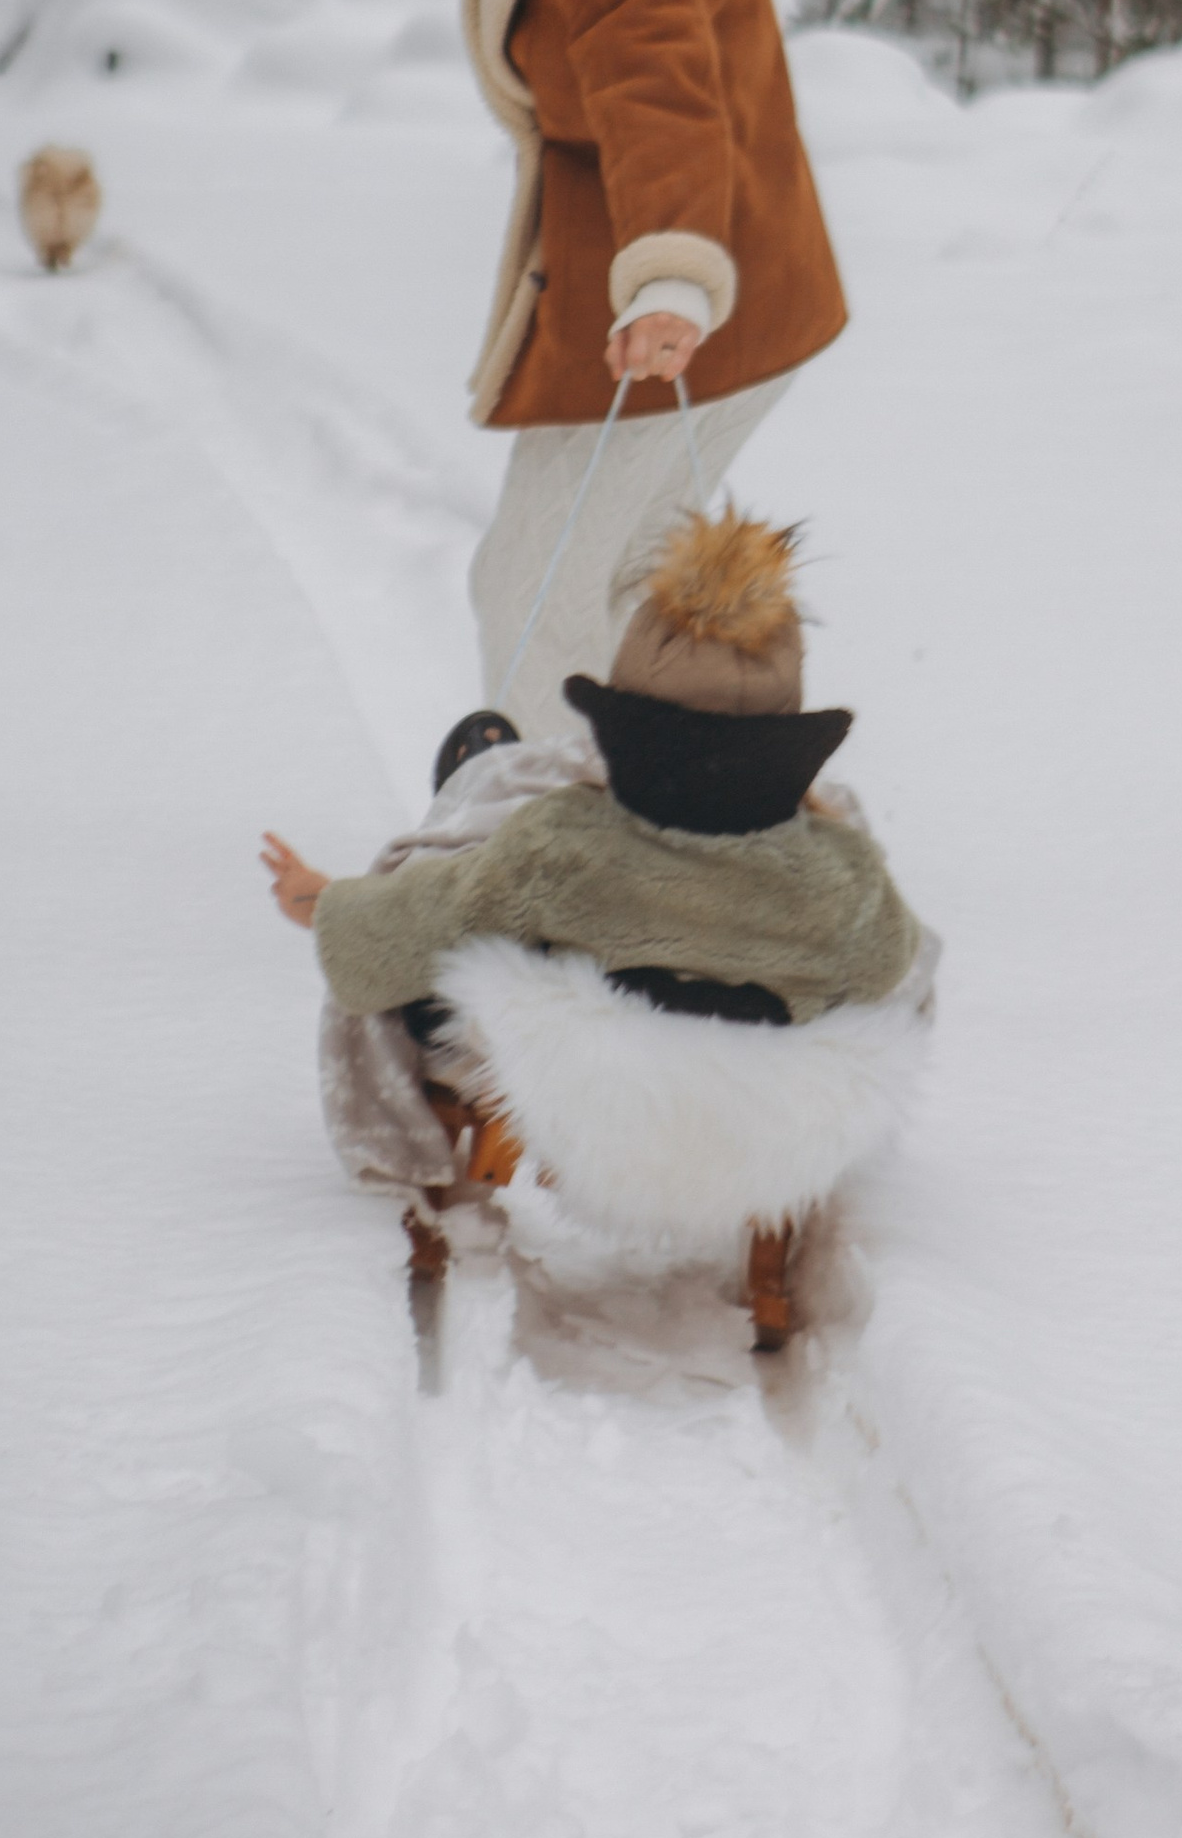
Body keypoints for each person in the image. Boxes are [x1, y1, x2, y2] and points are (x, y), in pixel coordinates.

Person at [261, 510, 933, 1339]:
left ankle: (477, 770)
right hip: (764, 1140)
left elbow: (379, 949)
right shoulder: (841, 877)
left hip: (586, 1118)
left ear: (623, 726)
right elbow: (906, 979)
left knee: (465, 871)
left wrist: (320, 899)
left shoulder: (556, 847)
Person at [384, 0, 845, 741]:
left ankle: (540, 834)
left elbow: (663, 99)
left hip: (677, 305)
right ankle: (662, 821)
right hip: (727, 288)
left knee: (532, 584)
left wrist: (673, 282)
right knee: (626, 586)